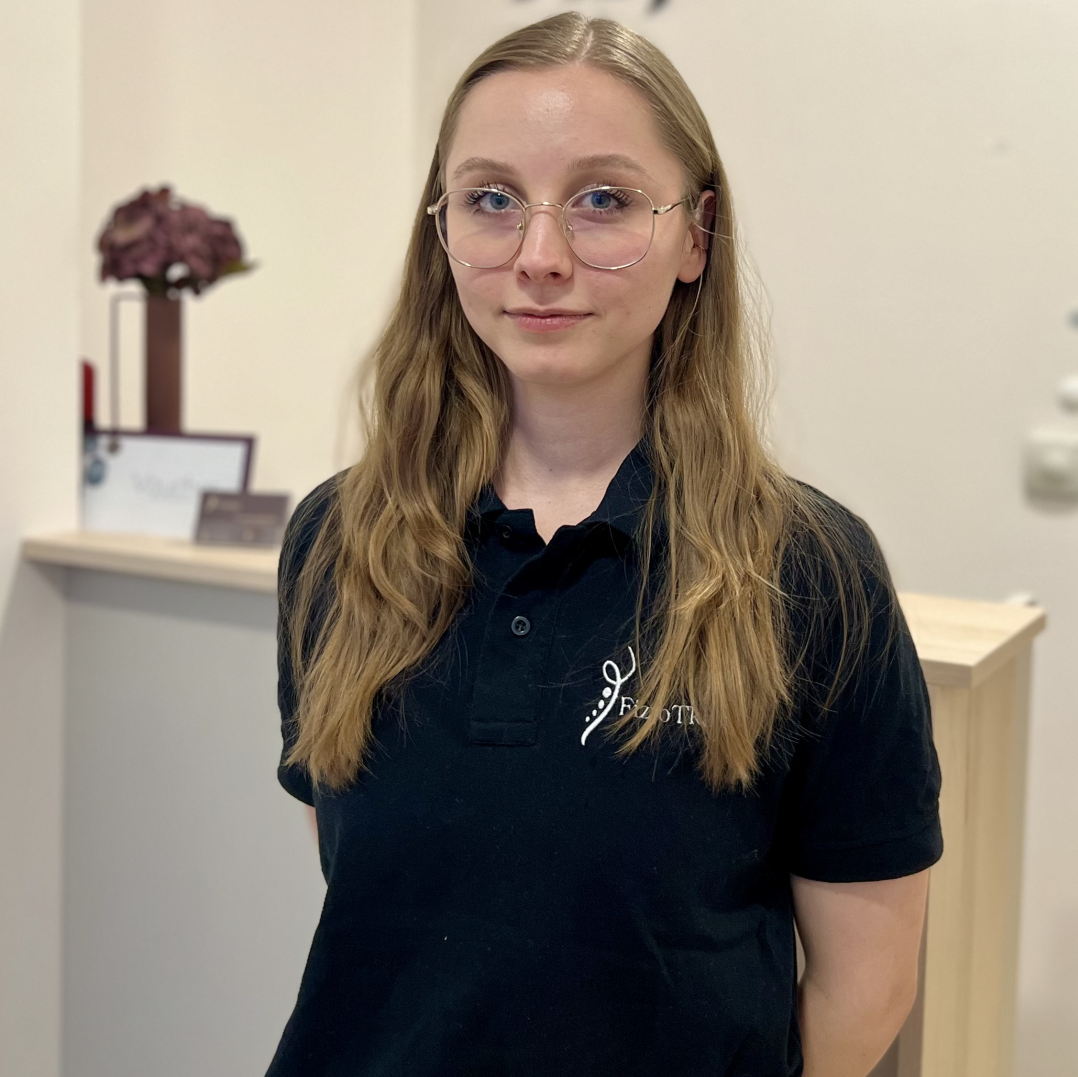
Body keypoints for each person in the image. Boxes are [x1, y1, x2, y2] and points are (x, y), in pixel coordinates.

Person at [267, 12, 943, 1077]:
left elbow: (868, 985)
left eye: (604, 201)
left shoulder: (812, 572)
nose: (540, 258)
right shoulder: (338, 542)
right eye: (493, 199)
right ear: (441, 229)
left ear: (696, 236)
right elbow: (369, 894)